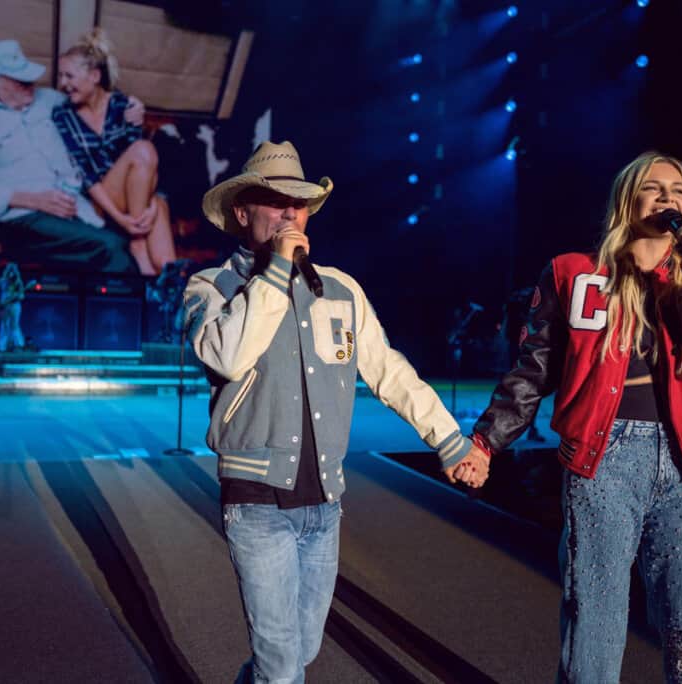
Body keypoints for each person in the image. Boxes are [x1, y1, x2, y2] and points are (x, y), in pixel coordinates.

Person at [183, 141, 489, 683]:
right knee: (281, 668)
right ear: (241, 212)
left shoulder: (341, 289)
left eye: (297, 204)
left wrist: (450, 440)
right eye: (274, 201)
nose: (288, 214)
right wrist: (276, 270)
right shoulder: (212, 287)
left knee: (300, 652)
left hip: (324, 506)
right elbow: (228, 355)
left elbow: (389, 371)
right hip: (258, 505)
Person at [467, 152, 682, 683]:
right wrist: (486, 441)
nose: (668, 196)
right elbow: (533, 370)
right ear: (629, 198)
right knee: (597, 630)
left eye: (678, 188)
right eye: (655, 186)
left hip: (679, 463)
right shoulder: (572, 273)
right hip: (604, 461)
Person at [0, 39, 140, 272]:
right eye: (21, 80)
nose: (31, 83)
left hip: (77, 205)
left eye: (29, 76)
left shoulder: (51, 100)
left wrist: (131, 107)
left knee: (124, 241)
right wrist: (34, 199)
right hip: (23, 219)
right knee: (110, 246)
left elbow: (95, 101)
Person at [52, 29, 177, 275]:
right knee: (143, 150)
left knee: (164, 260)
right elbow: (87, 176)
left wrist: (149, 205)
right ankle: (138, 238)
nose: (63, 84)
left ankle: (167, 299)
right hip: (99, 204)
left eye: (69, 76)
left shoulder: (123, 106)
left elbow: (144, 168)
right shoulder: (62, 115)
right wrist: (124, 222)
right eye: (60, 76)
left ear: (94, 76)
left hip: (135, 198)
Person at [0, 263, 33, 352]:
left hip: (14, 305)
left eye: (13, 270)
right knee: (4, 325)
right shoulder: (2, 281)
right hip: (4, 305)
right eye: (9, 269)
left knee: (14, 325)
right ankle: (2, 346)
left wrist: (16, 297)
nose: (11, 272)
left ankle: (19, 345)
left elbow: (22, 296)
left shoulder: (18, 282)